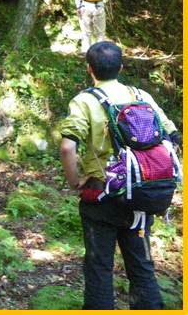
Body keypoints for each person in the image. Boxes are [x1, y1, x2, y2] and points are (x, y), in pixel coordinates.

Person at [59, 41, 179, 309]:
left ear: (89, 69)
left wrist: (75, 181)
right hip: (142, 193)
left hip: (101, 195)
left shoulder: (85, 101)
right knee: (142, 266)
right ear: (121, 67)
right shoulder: (142, 96)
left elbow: (68, 146)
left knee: (99, 265)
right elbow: (171, 135)